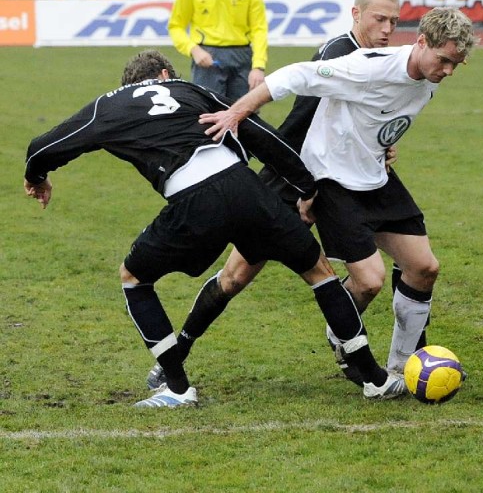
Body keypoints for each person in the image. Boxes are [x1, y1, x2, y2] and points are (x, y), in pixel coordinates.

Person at [24, 50, 405, 409]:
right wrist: (305, 187)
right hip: (248, 190)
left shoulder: (108, 105)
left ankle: (176, 388)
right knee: (319, 271)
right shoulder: (191, 89)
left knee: (134, 277)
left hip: (194, 198)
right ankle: (374, 378)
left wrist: (37, 177)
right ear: (164, 75)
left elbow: (46, 146)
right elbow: (259, 132)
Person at [147, 0, 405, 390]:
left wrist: (380, 147)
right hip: (295, 175)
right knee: (235, 276)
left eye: (395, 21)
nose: (389, 29)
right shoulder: (339, 53)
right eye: (380, 19)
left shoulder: (384, 60)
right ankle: (175, 354)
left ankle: (347, 344)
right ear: (356, 16)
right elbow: (303, 122)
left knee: (358, 277)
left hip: (340, 180)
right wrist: (300, 184)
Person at [198, 7, 478, 379]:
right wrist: (236, 113)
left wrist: (385, 145)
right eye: (444, 60)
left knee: (424, 268)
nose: (448, 71)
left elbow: (381, 118)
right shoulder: (368, 67)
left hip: (375, 177)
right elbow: (296, 75)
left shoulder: (428, 78)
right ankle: (343, 329)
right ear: (421, 41)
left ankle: (403, 369)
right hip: (333, 180)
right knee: (370, 280)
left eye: (456, 64)